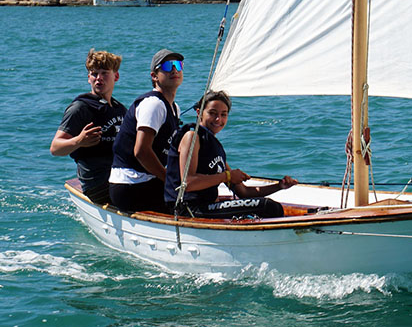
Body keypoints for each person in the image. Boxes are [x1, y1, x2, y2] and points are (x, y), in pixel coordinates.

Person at [164, 90, 297, 218]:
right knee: (268, 207)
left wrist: (280, 186)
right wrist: (227, 176)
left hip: (207, 207)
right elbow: (188, 182)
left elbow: (244, 192)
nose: (218, 119)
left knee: (268, 205)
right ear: (199, 113)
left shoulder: (214, 146)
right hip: (188, 209)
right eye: (212, 113)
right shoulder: (192, 137)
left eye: (223, 114)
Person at [109, 49, 184, 213]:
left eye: (177, 65)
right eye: (166, 66)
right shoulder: (153, 104)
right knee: (191, 200)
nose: (174, 70)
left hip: (147, 180)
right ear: (154, 76)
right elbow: (141, 151)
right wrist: (168, 179)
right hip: (130, 184)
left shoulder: (174, 108)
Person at [50, 49, 126, 203]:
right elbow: (55, 148)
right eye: (94, 73)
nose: (99, 78)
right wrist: (79, 141)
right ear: (89, 78)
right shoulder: (80, 108)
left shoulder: (120, 109)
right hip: (97, 183)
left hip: (120, 176)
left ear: (116, 76)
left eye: (104, 73)